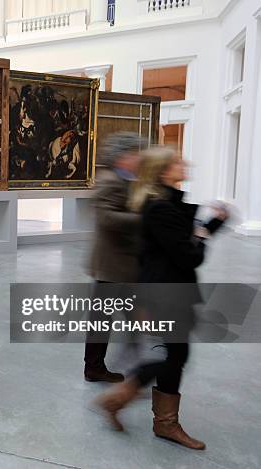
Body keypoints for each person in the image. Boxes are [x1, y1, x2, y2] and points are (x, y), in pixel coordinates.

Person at [96, 146, 228, 450]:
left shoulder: (167, 204)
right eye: (179, 162)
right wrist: (203, 237)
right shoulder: (161, 207)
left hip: (169, 291)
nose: (186, 164)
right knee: (172, 357)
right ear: (164, 171)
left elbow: (187, 240)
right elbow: (188, 255)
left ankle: (154, 416)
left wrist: (214, 225)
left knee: (174, 356)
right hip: (165, 293)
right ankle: (132, 405)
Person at [85, 132, 146, 383]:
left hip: (120, 265)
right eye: (135, 153)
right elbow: (106, 218)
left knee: (108, 319)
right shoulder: (110, 180)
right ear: (122, 157)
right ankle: (97, 369)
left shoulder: (127, 179)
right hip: (113, 265)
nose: (139, 158)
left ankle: (98, 368)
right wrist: (145, 219)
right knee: (105, 320)